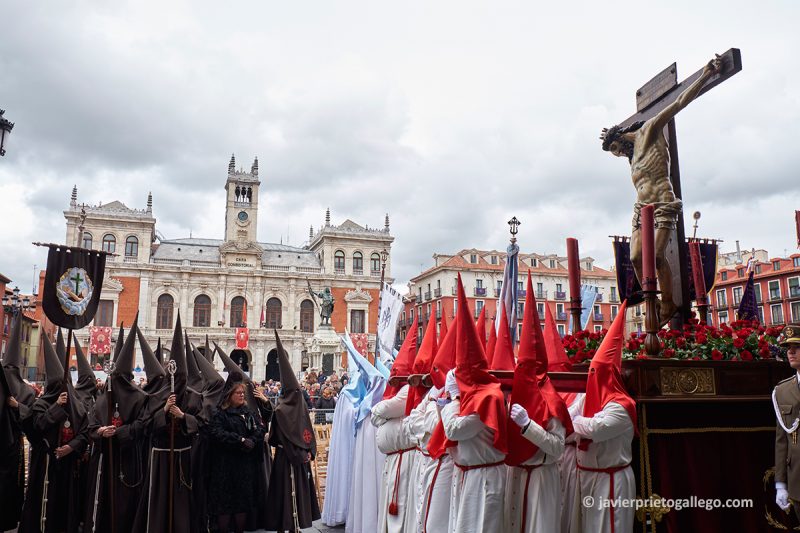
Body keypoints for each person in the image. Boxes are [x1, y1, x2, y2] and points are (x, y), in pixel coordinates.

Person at [601, 55, 722, 326]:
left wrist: (704, 76)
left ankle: (669, 302)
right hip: (640, 209)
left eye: (616, 150)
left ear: (620, 139)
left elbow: (679, 102)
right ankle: (651, 300)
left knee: (655, 256)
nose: (619, 155)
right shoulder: (632, 159)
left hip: (663, 202)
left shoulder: (650, 130)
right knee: (634, 256)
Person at [505, 277, 571, 533]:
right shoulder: (513, 395)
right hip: (517, 476)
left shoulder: (551, 400)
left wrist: (528, 425)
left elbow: (556, 447)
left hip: (541, 477)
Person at [442, 278, 507, 533]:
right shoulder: (474, 395)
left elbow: (455, 430)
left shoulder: (488, 397)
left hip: (485, 479)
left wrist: (453, 400)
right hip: (469, 475)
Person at [571, 303, 636, 533]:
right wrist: (577, 419)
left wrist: (576, 421)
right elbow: (570, 415)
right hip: (588, 478)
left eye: (595, 373)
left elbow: (595, 428)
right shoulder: (590, 399)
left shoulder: (622, 406)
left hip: (610, 482)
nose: (591, 378)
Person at [19, 331, 89, 533]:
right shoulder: (42, 403)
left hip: (67, 466)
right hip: (46, 462)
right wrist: (57, 406)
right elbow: (38, 425)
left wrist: (71, 447)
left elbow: (84, 432)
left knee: (64, 507)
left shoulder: (77, 406)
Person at [265, 331, 320, 532]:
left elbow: (306, 433)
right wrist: (303, 453)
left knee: (294, 494)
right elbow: (280, 438)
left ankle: (293, 525)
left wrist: (308, 451)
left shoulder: (293, 408)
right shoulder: (282, 410)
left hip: (294, 459)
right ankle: (286, 525)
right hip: (289, 460)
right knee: (286, 495)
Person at [371, 319, 418, 533]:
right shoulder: (399, 390)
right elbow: (380, 415)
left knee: (403, 508)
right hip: (394, 459)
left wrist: (381, 414)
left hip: (406, 460)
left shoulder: (408, 391)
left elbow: (383, 410)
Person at [207, 382, 267, 533]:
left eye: (242, 393)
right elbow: (217, 433)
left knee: (242, 503)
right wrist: (240, 440)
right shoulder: (220, 413)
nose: (241, 395)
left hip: (244, 466)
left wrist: (253, 440)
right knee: (225, 504)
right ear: (229, 396)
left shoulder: (248, 412)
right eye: (238, 393)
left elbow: (259, 429)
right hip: (225, 466)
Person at [1, 313, 36, 532]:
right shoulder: (25, 390)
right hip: (12, 446)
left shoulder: (23, 390)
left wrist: (16, 408)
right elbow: (31, 419)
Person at [774, 324, 800, 516]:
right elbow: (782, 440)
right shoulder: (782, 391)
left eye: (797, 347)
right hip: (797, 480)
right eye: (788, 348)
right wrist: (781, 484)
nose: (790, 352)